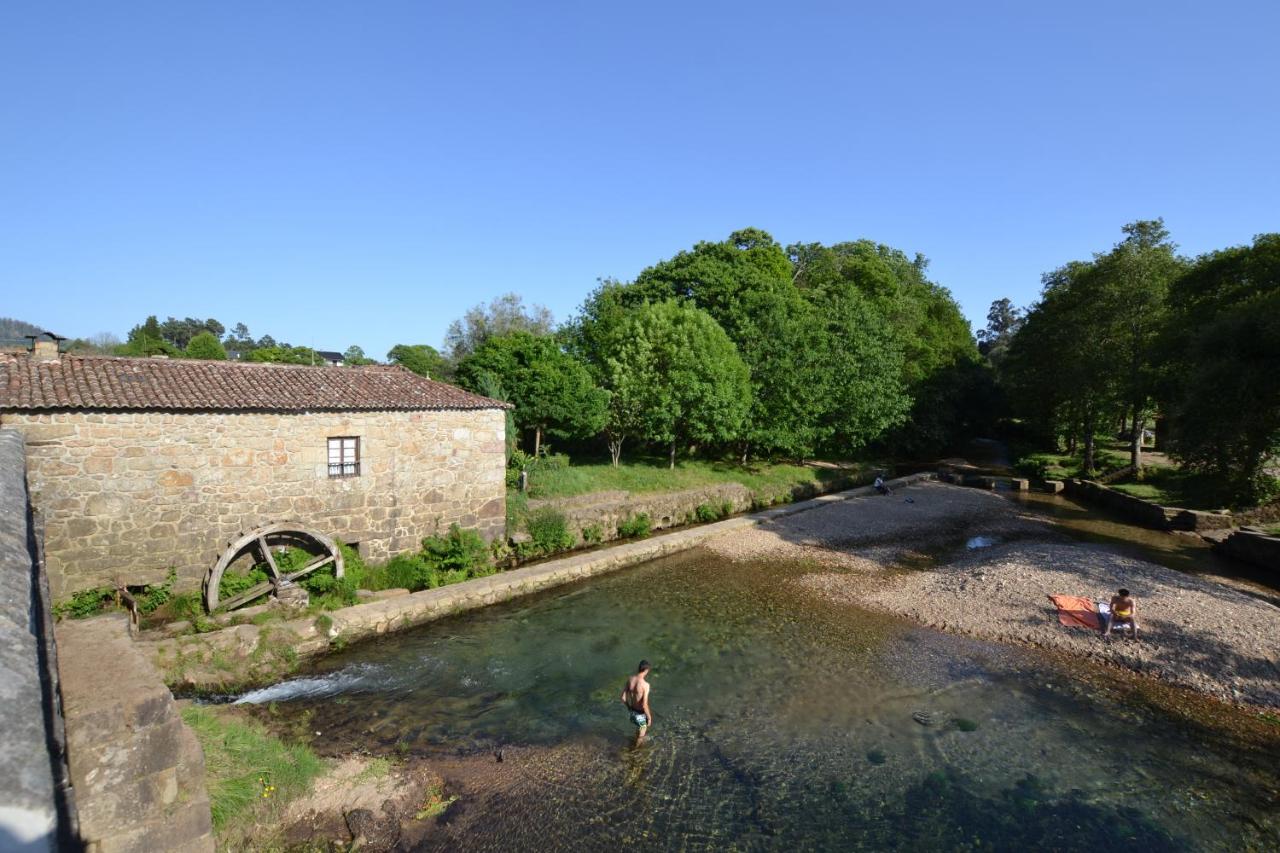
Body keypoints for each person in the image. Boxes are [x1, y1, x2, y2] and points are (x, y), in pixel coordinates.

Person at [620, 659, 653, 743]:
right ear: (646, 670)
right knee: (641, 736)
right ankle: (635, 752)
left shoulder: (630, 679)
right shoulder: (645, 685)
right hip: (640, 714)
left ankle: (634, 746)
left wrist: (629, 707)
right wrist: (649, 718)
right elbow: (644, 705)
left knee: (638, 729)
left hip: (632, 712)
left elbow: (622, 697)